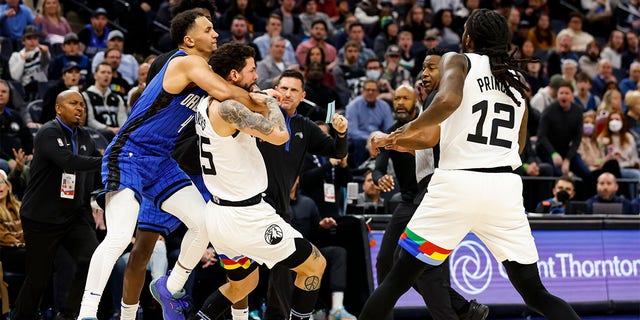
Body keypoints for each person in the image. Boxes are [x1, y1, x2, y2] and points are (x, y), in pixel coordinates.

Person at [362, 9, 581, 320]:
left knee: (398, 276)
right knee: (535, 293)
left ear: (468, 38)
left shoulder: (459, 60)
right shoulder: (517, 80)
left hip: (458, 185)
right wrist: (397, 141)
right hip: (504, 189)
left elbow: (447, 101)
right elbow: (517, 146)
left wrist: (400, 132)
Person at [77, 10, 267, 320]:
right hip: (130, 153)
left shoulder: (204, 69)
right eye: (209, 29)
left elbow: (231, 97)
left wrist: (256, 95)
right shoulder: (186, 62)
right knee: (121, 236)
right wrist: (261, 100)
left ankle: (170, 286)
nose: (216, 34)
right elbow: (225, 92)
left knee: (205, 222)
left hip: (161, 159)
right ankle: (86, 313)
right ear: (190, 39)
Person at [191, 43, 326, 320]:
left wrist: (257, 98)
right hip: (247, 216)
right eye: (252, 70)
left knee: (244, 284)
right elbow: (279, 134)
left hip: (219, 215)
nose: (256, 76)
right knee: (314, 264)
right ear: (234, 75)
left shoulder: (205, 103)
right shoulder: (228, 108)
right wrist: (272, 102)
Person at [372, 59, 489, 319]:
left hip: (436, 193)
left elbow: (426, 139)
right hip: (409, 200)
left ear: (416, 99)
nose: (400, 103)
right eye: (396, 99)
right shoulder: (402, 126)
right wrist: (378, 175)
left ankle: (454, 312)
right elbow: (380, 164)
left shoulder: (438, 113)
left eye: (405, 98)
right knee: (388, 261)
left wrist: (392, 141)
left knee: (425, 266)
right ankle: (462, 308)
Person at [257, 70, 348, 320]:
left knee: (283, 270)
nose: (287, 94)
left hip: (282, 208)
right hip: (252, 205)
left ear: (302, 96)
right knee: (242, 272)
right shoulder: (258, 116)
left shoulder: (305, 127)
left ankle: (280, 316)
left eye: (293, 90)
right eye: (283, 88)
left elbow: (337, 152)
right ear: (275, 88)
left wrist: (341, 133)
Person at [12, 90, 102, 320]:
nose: (80, 108)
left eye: (82, 104)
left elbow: (96, 169)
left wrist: (98, 200)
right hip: (42, 216)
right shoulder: (47, 132)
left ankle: (68, 314)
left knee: (92, 258)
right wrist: (107, 159)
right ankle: (22, 316)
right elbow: (67, 160)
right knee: (38, 277)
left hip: (73, 215)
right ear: (58, 108)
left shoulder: (84, 136)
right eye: (73, 103)